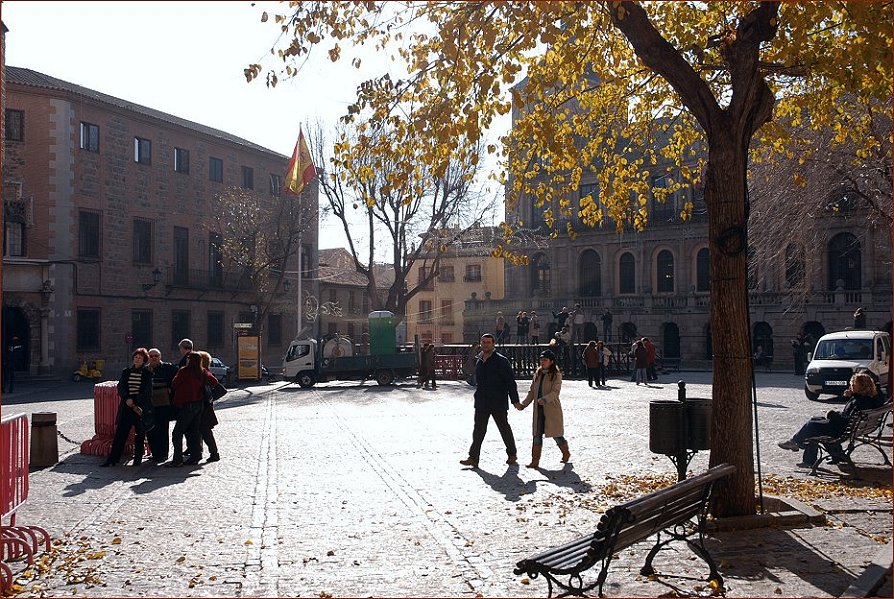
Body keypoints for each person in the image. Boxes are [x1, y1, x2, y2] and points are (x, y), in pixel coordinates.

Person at [778, 372, 886, 467]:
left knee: (812, 425)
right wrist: (851, 396)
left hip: (841, 430)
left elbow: (845, 420)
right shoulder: (867, 398)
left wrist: (831, 414)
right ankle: (833, 454)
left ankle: (800, 449)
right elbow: (850, 415)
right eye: (851, 384)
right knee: (815, 419)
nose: (851, 386)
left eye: (854, 384)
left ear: (862, 386)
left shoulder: (860, 401)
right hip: (850, 428)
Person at [459, 334, 522, 468]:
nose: (486, 344)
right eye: (484, 342)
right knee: (478, 430)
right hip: (482, 401)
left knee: (504, 428)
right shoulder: (479, 360)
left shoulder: (501, 360)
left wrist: (515, 400)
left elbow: (510, 381)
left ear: (493, 344)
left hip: (498, 400)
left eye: (488, 342)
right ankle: (473, 457)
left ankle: (512, 453)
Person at [101, 348, 154, 467]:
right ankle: (112, 459)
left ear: (144, 360)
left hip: (139, 408)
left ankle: (137, 460)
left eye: (140, 358)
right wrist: (126, 398)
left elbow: (147, 392)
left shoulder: (147, 374)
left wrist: (134, 401)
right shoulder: (126, 371)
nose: (137, 359)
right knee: (120, 433)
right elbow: (121, 387)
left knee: (140, 433)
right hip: (126, 406)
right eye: (136, 357)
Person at [519, 350, 570, 468]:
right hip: (538, 410)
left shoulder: (556, 374)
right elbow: (532, 392)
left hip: (551, 409)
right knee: (537, 435)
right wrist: (524, 404)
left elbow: (555, 392)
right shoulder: (538, 373)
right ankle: (534, 461)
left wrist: (545, 399)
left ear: (551, 362)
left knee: (556, 434)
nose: (542, 362)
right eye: (541, 360)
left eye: (545, 360)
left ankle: (566, 453)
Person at [169, 352, 218, 467]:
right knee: (194, 431)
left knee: (177, 432)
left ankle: (177, 459)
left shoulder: (184, 371)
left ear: (190, 360)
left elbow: (174, 384)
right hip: (199, 405)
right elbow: (214, 382)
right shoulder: (203, 371)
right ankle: (195, 457)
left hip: (186, 405)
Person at [146, 348, 178, 462]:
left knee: (162, 430)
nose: (154, 358)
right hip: (149, 405)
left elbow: (177, 378)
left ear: (160, 357)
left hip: (163, 404)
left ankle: (163, 454)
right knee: (150, 430)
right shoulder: (145, 369)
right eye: (151, 356)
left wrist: (170, 388)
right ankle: (155, 454)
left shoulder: (168, 368)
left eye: (156, 356)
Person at [195, 351, 222, 463]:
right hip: (206, 406)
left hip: (204, 407)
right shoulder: (204, 372)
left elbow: (217, 386)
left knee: (205, 431)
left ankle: (214, 453)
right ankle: (210, 452)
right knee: (204, 431)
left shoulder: (204, 372)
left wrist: (209, 398)